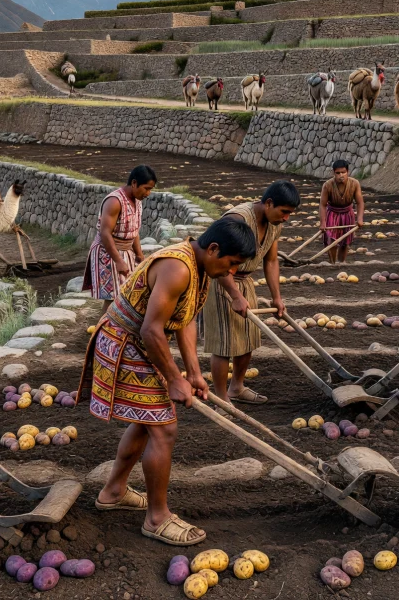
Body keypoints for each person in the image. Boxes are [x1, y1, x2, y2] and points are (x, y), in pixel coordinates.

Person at [79, 218, 257, 546]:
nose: (231, 272)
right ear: (214, 249)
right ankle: (156, 518)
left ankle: (113, 491)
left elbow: (184, 319)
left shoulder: (200, 268)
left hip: (140, 342)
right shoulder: (178, 268)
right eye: (231, 264)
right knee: (164, 428)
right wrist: (174, 379)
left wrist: (192, 372)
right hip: (125, 343)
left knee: (149, 422)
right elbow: (150, 329)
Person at [201, 180, 300, 403]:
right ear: (269, 203)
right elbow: (216, 259)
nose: (286, 217)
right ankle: (221, 399)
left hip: (245, 281)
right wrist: (235, 296)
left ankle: (237, 387)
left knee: (247, 340)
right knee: (224, 344)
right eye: (284, 212)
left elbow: (271, 261)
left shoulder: (275, 224)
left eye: (290, 214)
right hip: (222, 279)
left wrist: (277, 297)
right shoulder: (237, 220)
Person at [83, 165, 157, 310]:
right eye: (146, 188)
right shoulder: (115, 201)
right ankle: (105, 330)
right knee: (113, 298)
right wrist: (118, 260)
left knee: (128, 295)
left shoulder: (138, 201)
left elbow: (133, 230)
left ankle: (117, 330)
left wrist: (139, 255)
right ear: (134, 183)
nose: (148, 193)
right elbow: (105, 233)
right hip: (108, 252)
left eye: (150, 189)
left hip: (126, 251)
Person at [319, 160, 364, 264]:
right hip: (333, 213)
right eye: (338, 173)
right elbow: (322, 204)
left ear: (348, 171)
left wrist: (360, 219)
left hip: (348, 213)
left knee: (345, 242)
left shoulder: (354, 184)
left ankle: (341, 263)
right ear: (333, 173)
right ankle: (333, 263)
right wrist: (323, 222)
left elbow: (360, 202)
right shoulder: (328, 185)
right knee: (332, 240)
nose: (341, 175)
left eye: (343, 172)